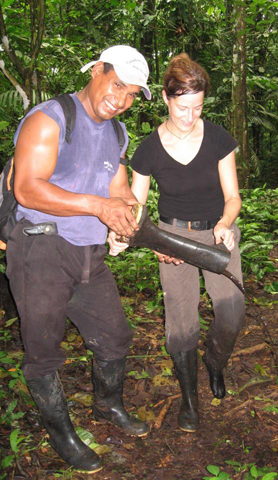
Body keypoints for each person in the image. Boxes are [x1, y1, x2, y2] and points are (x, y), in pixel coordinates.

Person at [6, 45, 152, 473]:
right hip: (40, 250)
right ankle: (62, 434)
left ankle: (108, 405)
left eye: (132, 94)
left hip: (89, 253)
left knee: (115, 336)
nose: (121, 99)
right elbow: (27, 189)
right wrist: (98, 207)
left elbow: (118, 191)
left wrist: (128, 216)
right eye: (118, 84)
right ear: (98, 70)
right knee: (43, 350)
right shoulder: (49, 118)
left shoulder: (117, 134)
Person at [109, 53, 246, 433]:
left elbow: (233, 196)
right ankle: (190, 400)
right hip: (172, 238)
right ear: (167, 100)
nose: (190, 116)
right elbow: (135, 205)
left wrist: (224, 222)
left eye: (198, 107)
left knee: (232, 312)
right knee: (181, 325)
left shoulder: (218, 138)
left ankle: (215, 362)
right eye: (183, 107)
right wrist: (139, 237)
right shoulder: (149, 148)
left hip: (217, 235)